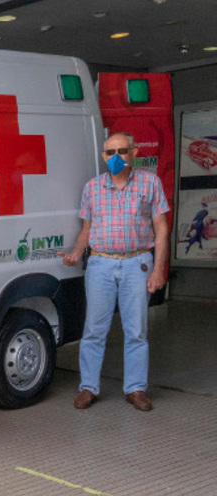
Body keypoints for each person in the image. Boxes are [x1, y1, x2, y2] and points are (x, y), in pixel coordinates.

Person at [59, 132, 169, 412]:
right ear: (103, 156)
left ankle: (135, 389)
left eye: (122, 151)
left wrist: (158, 270)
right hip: (101, 264)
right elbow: (87, 229)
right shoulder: (93, 188)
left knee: (136, 331)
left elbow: (161, 229)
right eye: (110, 152)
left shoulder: (150, 183)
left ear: (134, 153)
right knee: (94, 329)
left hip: (137, 263)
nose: (116, 157)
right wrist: (75, 254)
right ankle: (88, 387)